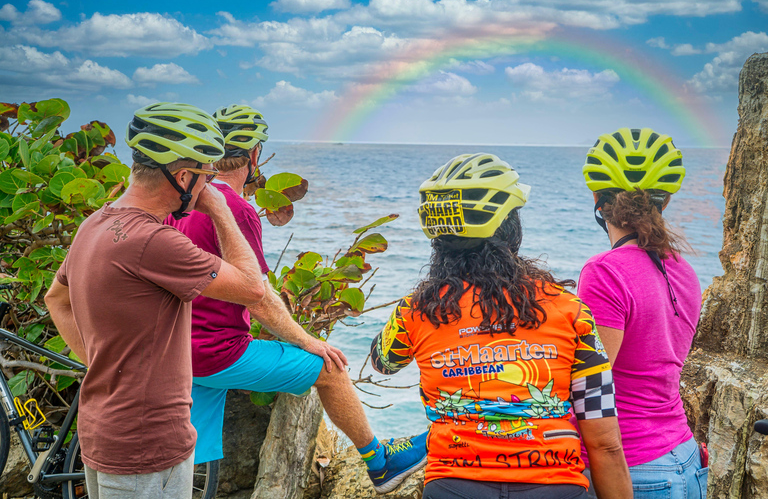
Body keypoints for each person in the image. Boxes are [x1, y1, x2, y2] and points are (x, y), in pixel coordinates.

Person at [166, 104, 427, 495]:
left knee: (188, 466)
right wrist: (309, 341)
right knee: (331, 370)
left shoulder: (181, 203)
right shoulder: (234, 208)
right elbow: (259, 297)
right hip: (217, 351)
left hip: (177, 349)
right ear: (254, 155)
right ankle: (380, 463)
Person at [370, 153, 632, 499]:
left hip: (452, 486)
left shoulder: (416, 310)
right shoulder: (570, 310)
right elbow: (606, 444)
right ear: (509, 228)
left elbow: (382, 363)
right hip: (555, 487)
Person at [44, 102, 267, 498]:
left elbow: (56, 299)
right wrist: (219, 207)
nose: (206, 186)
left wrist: (100, 366)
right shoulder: (156, 242)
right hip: (146, 447)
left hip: (105, 431)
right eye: (205, 176)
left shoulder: (94, 224)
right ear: (183, 176)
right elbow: (253, 288)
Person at [579, 128, 707, 498]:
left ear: (597, 200)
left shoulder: (604, 272)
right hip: (685, 458)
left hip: (634, 468)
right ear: (664, 202)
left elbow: (592, 384)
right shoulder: (682, 268)